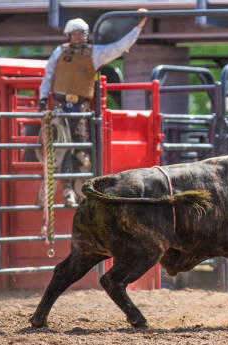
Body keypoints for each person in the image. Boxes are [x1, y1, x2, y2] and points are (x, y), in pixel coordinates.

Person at [37, 9, 148, 205]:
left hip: (80, 108)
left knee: (79, 149)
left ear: (86, 35)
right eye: (74, 33)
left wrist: (137, 27)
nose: (78, 37)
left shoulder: (94, 53)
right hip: (60, 107)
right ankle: (68, 191)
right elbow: (48, 76)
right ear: (69, 35)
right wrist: (43, 100)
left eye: (81, 33)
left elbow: (119, 47)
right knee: (64, 148)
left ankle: (82, 191)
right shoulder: (59, 52)